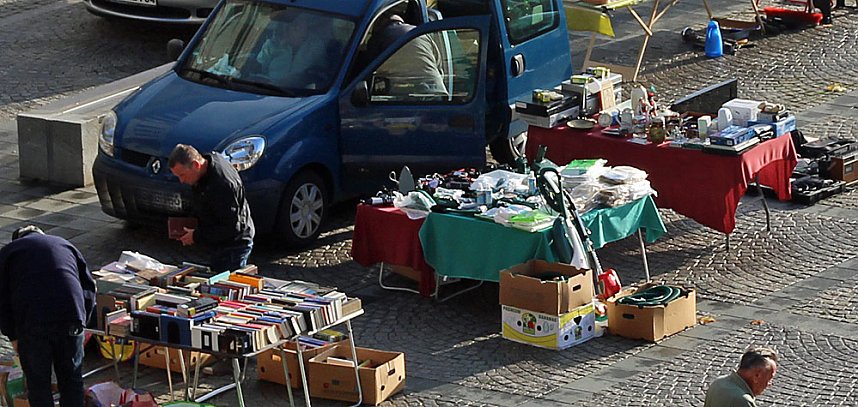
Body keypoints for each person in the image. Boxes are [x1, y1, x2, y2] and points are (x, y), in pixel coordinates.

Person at [0, 225, 95, 407]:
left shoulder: (9, 252)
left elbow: (2, 301)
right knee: (72, 380)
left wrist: (12, 335)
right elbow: (89, 288)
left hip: (33, 322)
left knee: (38, 383)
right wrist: (83, 322)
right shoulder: (65, 245)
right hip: (71, 316)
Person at [168, 144, 255, 273]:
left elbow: (231, 227)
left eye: (182, 175)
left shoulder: (221, 185)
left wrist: (196, 236)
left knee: (225, 283)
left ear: (196, 165)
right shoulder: (206, 167)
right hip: (222, 241)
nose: (181, 181)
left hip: (233, 246)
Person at [366, 14, 447, 97]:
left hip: (405, 97)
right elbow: (439, 65)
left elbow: (368, 71)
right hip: (436, 92)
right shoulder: (420, 32)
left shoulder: (378, 37)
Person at [255, 11, 328, 88]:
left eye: (302, 25)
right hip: (269, 89)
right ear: (286, 27)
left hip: (302, 93)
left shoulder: (315, 45)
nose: (298, 28)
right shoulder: (271, 44)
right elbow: (260, 71)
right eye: (294, 25)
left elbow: (321, 72)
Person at [704, 347, 778, 407]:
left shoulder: (718, 382)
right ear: (756, 376)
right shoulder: (744, 401)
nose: (769, 384)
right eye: (769, 378)